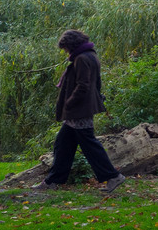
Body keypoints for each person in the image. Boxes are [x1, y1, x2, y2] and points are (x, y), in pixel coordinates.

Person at [34, 30, 126, 193]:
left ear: (71, 45)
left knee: (90, 145)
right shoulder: (90, 56)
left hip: (79, 110)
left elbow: (83, 85)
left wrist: (69, 102)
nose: (65, 52)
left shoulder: (82, 58)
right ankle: (53, 181)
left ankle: (113, 176)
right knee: (62, 144)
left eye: (66, 48)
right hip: (80, 110)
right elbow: (96, 84)